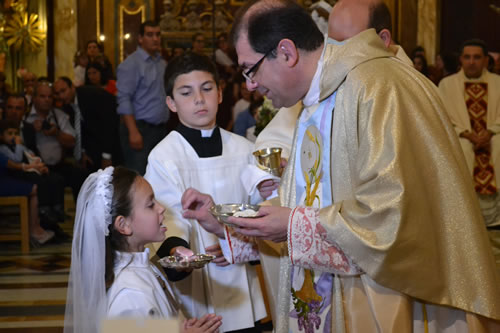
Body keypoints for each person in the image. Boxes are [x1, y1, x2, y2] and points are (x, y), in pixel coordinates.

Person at [185, 0, 500, 331]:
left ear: (287, 52)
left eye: (251, 69)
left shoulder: (379, 87)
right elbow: (306, 204)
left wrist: (293, 225)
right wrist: (231, 226)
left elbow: (394, 217)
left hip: (382, 301)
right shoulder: (314, 101)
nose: (249, 85)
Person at [144, 52, 273, 332]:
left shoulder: (244, 149)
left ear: (220, 93)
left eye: (207, 88)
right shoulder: (164, 156)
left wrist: (241, 246)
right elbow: (166, 220)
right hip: (195, 290)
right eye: (186, 92)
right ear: (171, 103)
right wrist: (179, 254)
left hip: (243, 280)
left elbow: (263, 210)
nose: (199, 100)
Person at [63, 166, 222, 333]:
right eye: (150, 204)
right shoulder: (129, 294)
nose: (161, 208)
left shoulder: (142, 266)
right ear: (123, 225)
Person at [439, 39, 500, 270]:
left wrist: (491, 131)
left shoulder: (498, 83)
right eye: (467, 57)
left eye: (477, 57)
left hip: (492, 147)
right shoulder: (446, 85)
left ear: (486, 60)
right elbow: (440, 118)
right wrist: (465, 133)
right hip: (462, 145)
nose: (472, 62)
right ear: (461, 60)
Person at [117, 20, 168, 175]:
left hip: (160, 129)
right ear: (140, 38)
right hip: (139, 128)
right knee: (139, 177)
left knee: (160, 176)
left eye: (158, 35)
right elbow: (124, 99)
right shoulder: (131, 63)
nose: (155, 39)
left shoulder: (162, 63)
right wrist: (133, 131)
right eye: (150, 35)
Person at [54, 77, 120, 172]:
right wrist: (84, 152)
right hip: (93, 148)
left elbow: (109, 125)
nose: (61, 96)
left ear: (72, 87)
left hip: (112, 142)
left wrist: (107, 156)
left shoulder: (91, 96)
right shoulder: (67, 105)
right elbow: (81, 129)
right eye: (57, 93)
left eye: (63, 91)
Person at [0, 151, 55, 246]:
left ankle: (35, 227)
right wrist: (29, 167)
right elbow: (8, 163)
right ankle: (34, 230)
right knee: (34, 188)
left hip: (5, 177)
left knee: (34, 182)